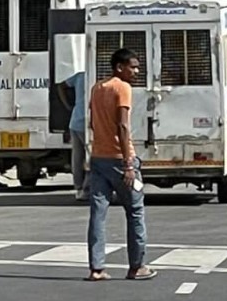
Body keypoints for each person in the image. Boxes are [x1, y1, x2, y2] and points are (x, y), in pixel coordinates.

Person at [85, 49, 156, 282]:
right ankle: (137, 266)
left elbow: (93, 123)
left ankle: (97, 268)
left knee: (98, 213)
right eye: (132, 67)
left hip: (98, 158)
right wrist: (128, 164)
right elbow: (123, 127)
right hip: (120, 159)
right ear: (119, 67)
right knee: (135, 212)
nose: (136, 71)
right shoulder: (122, 88)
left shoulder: (97, 88)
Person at [60, 68, 89, 201]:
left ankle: (78, 188)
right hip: (88, 122)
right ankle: (87, 187)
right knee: (93, 156)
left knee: (77, 157)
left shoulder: (79, 76)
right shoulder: (98, 77)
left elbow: (61, 86)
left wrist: (67, 105)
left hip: (75, 120)